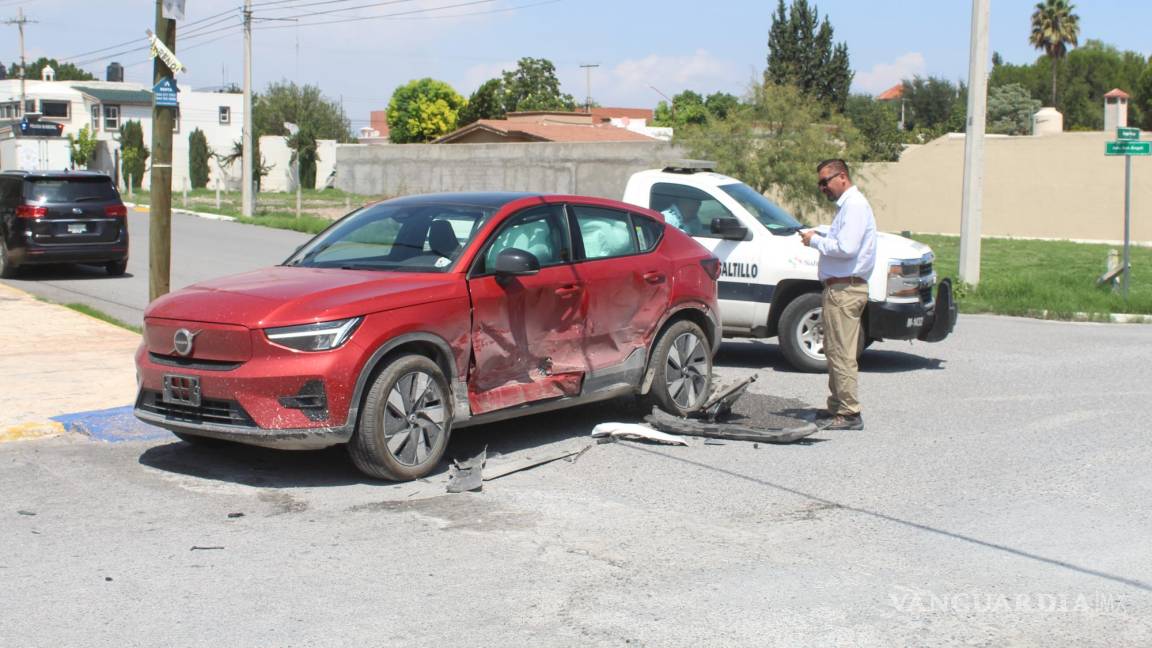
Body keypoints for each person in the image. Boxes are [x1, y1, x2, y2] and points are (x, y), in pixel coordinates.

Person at [799, 159, 877, 431]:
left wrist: (815, 241)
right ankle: (837, 406)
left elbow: (846, 247)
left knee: (841, 351)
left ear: (842, 176)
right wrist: (821, 232)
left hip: (845, 289)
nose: (822, 188)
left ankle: (849, 412)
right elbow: (843, 240)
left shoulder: (854, 206)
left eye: (825, 181)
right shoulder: (848, 207)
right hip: (840, 288)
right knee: (835, 349)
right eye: (820, 183)